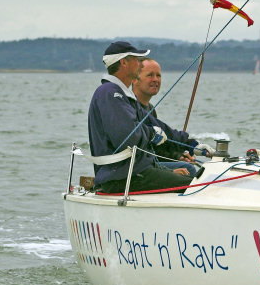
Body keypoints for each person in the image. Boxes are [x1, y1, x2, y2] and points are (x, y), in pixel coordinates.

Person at [87, 40, 212, 193]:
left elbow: (157, 125)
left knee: (196, 179)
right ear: (124, 63)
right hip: (122, 177)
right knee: (198, 187)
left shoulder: (125, 96)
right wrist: (152, 134)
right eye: (137, 60)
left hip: (136, 171)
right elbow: (127, 136)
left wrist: (191, 144)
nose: (140, 64)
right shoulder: (110, 92)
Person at [132, 57, 200, 176]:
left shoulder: (151, 110)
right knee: (189, 169)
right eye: (150, 75)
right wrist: (169, 171)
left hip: (151, 163)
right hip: (137, 168)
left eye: (158, 76)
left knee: (188, 166)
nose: (155, 79)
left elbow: (156, 148)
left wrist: (178, 156)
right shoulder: (130, 108)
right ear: (135, 80)